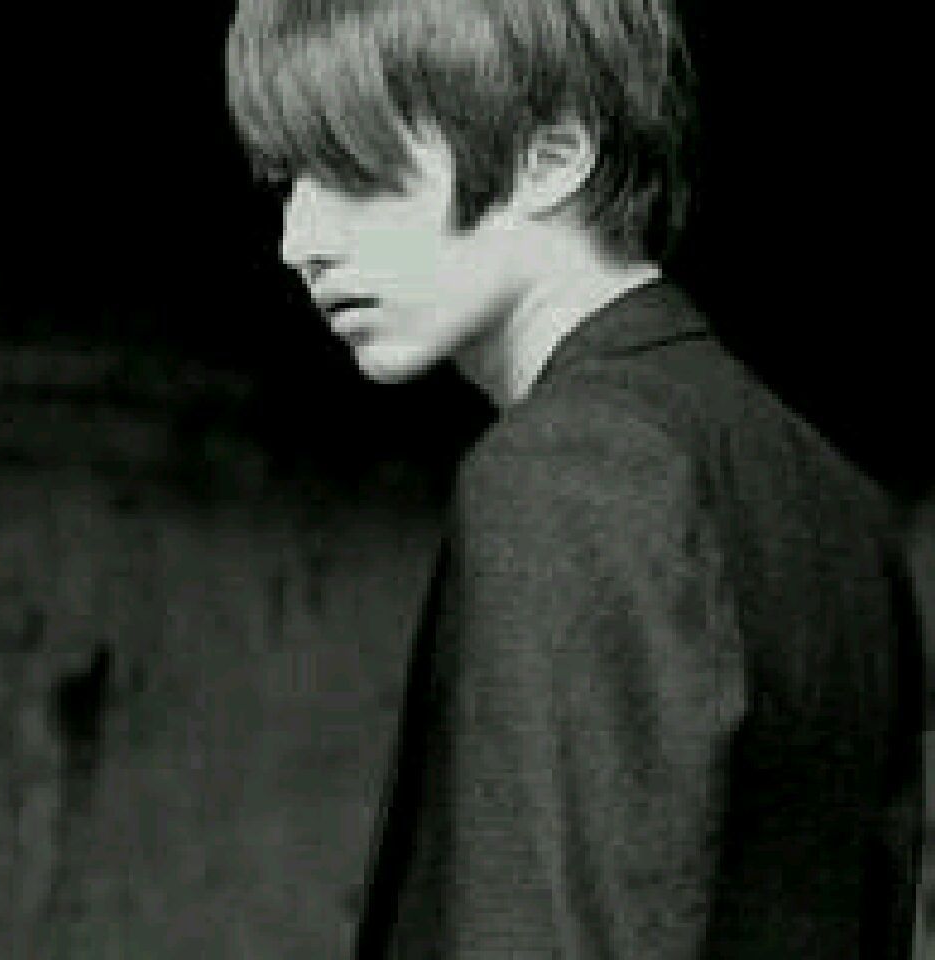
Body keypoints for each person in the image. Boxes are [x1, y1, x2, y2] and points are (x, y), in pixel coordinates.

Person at [225, 1, 925, 956]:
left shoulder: (571, 466)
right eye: (286, 180)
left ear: (552, 158)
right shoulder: (836, 502)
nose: (298, 239)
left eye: (351, 168)